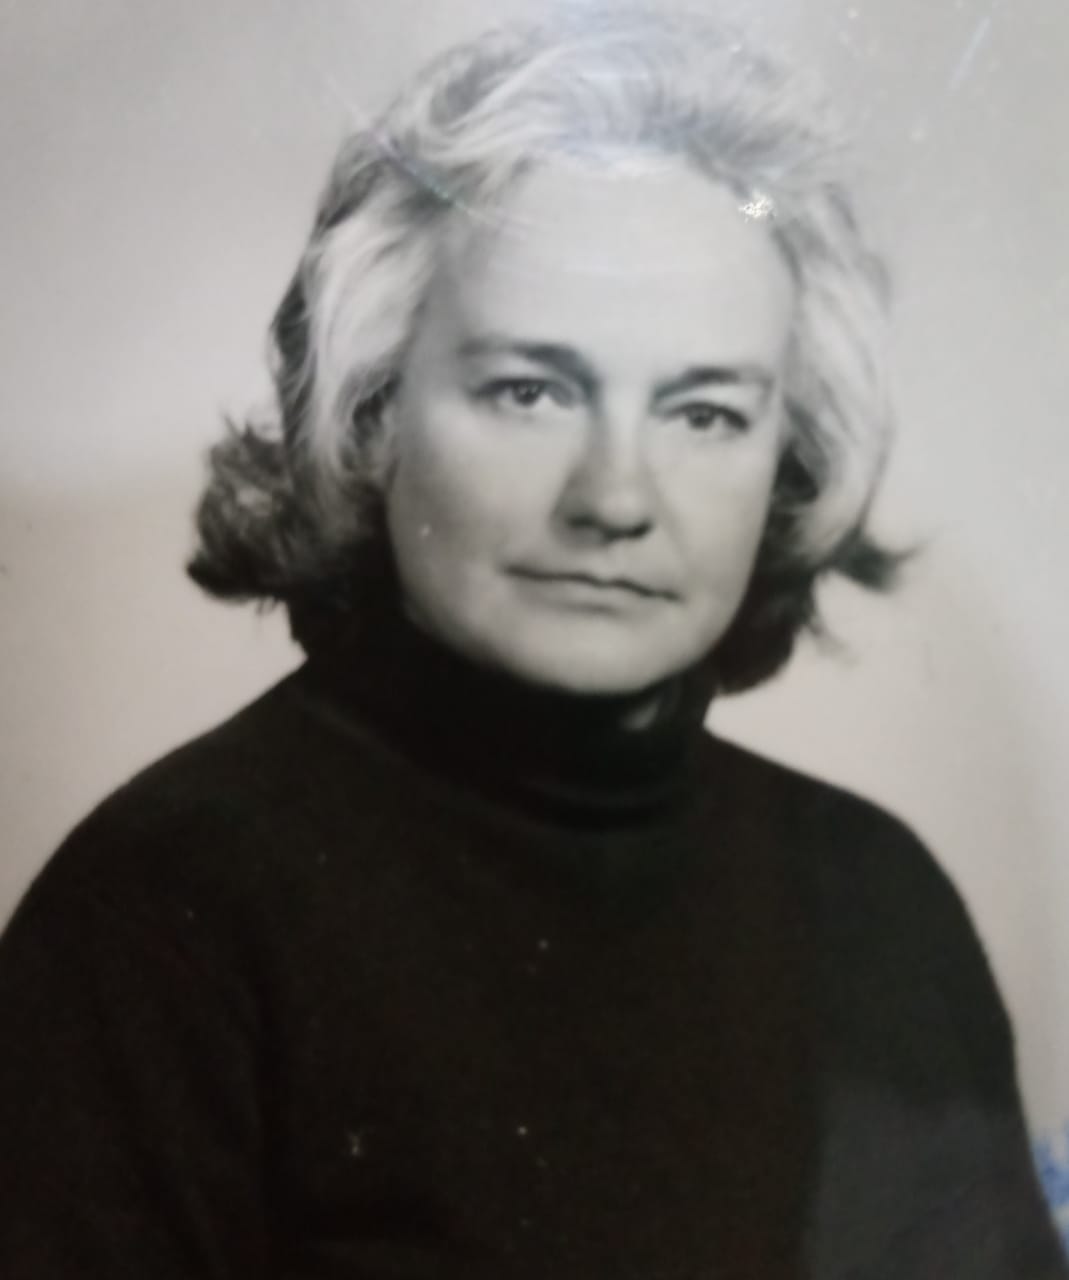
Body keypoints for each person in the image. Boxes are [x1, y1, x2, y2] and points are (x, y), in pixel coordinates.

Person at [0, 9, 1063, 1278]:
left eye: (704, 412)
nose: (615, 496)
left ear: (788, 452)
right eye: (531, 390)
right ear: (375, 413)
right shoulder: (167, 907)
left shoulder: (878, 898)